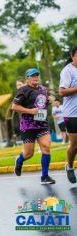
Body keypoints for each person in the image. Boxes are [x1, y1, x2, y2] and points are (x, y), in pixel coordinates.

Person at [12, 68, 55, 184]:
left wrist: (48, 101)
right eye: (33, 76)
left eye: (37, 75)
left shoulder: (43, 89)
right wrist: (30, 111)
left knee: (46, 147)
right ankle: (19, 160)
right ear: (27, 78)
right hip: (28, 125)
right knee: (28, 154)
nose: (36, 77)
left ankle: (44, 176)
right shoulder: (23, 90)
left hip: (42, 124)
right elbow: (14, 106)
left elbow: (41, 103)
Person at [59, 46, 77, 184]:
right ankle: (70, 167)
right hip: (71, 114)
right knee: (75, 145)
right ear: (72, 56)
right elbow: (62, 92)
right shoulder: (67, 71)